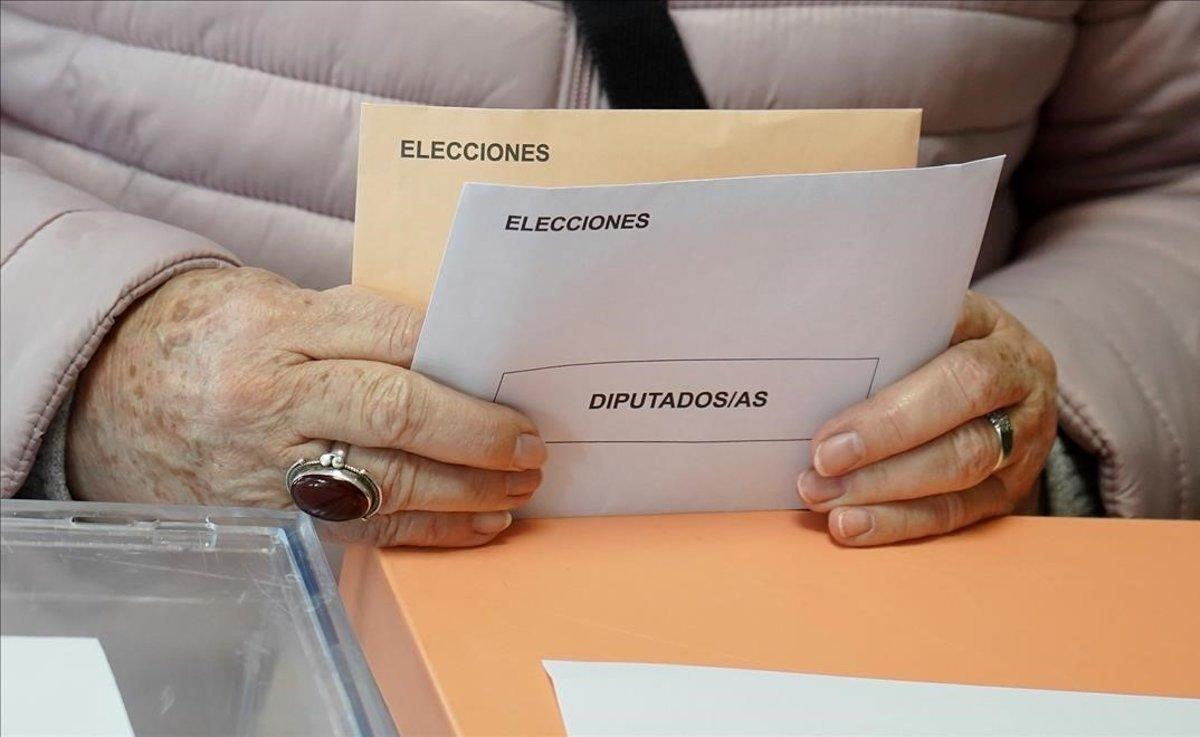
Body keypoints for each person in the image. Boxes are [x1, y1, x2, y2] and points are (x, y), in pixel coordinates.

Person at [1, 1, 1196, 548]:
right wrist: (92, 366)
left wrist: (1053, 418)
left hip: (866, 626)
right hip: (160, 596)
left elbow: (1168, 177)